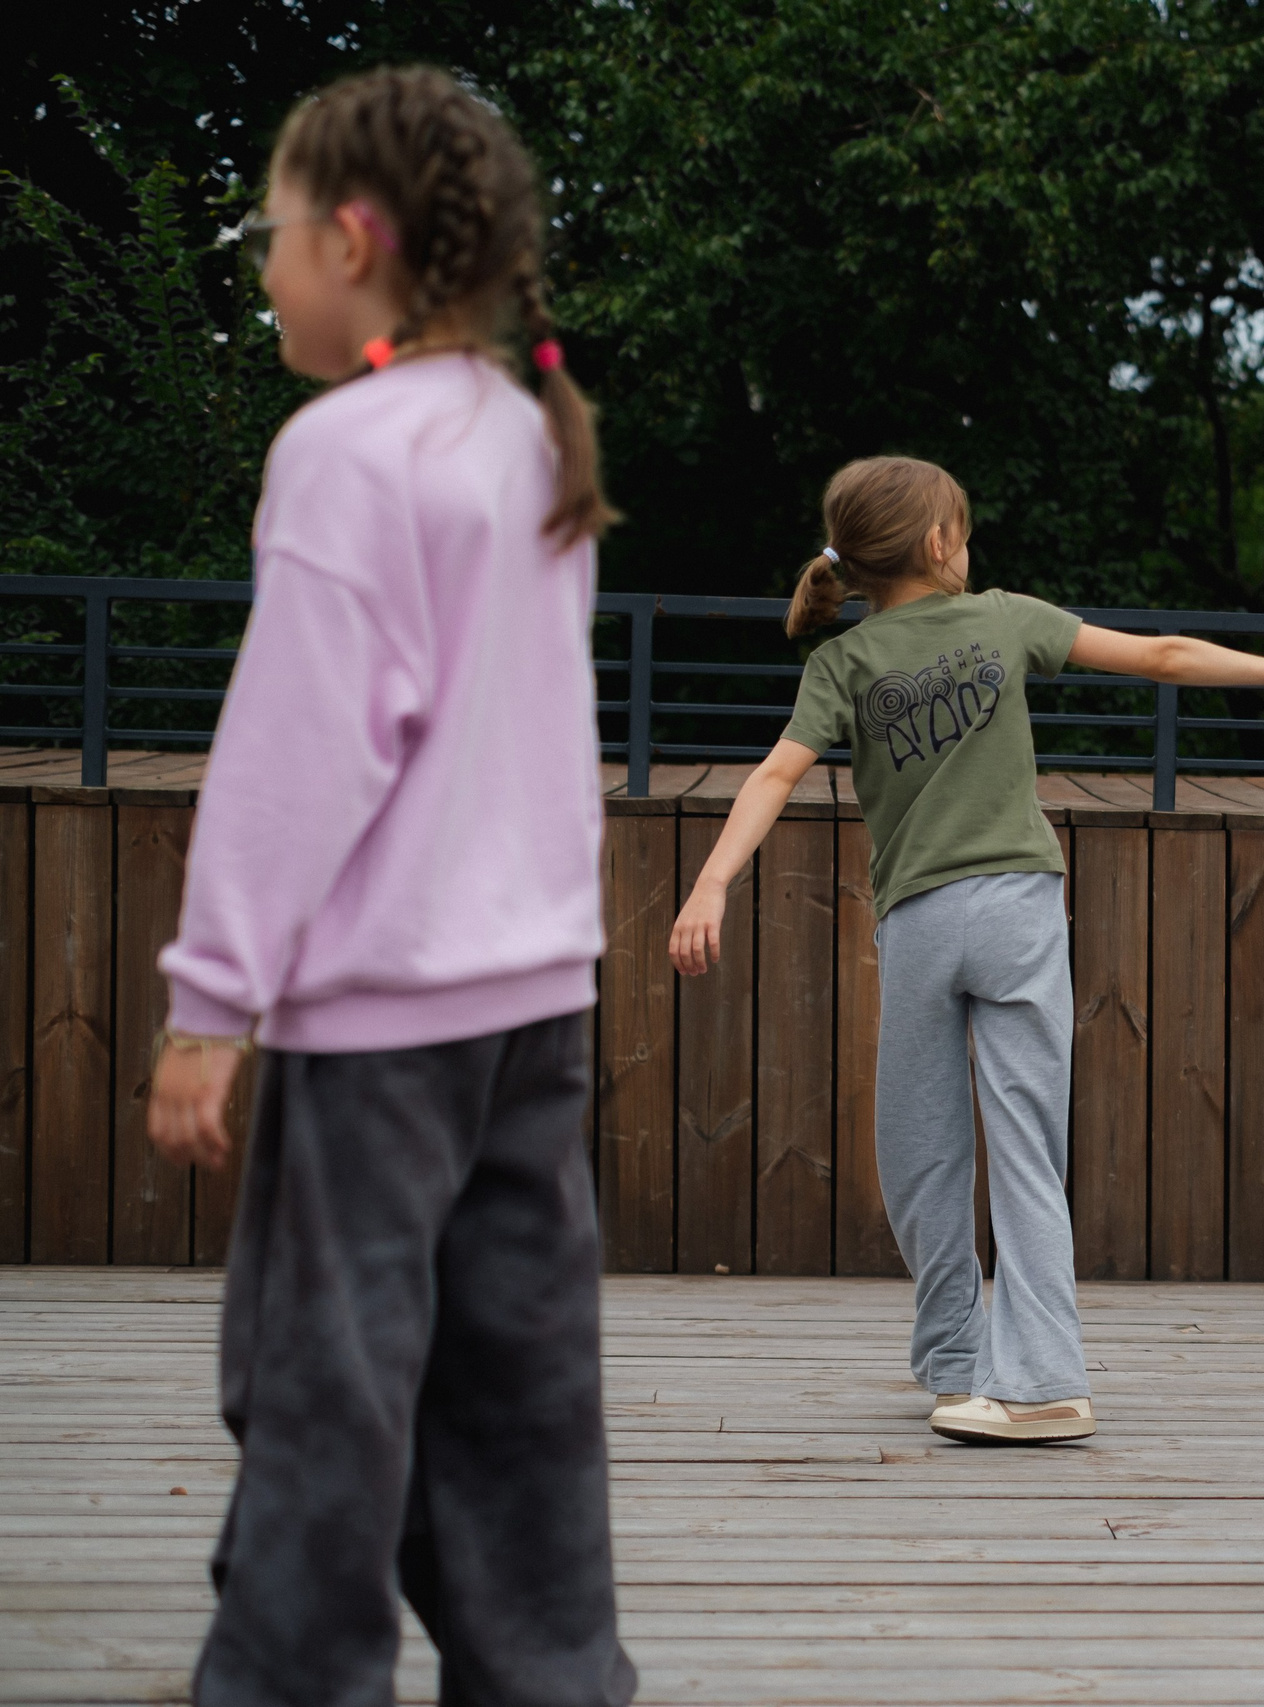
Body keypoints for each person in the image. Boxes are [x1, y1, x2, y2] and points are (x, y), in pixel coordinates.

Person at [140, 67, 635, 1707]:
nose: (262, 265)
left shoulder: (348, 449)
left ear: (352, 241)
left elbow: (300, 751)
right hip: (534, 1002)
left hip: (375, 1024)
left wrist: (213, 1002)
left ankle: (290, 1674)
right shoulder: (523, 436)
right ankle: (554, 1675)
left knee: (322, 1381)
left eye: (268, 232)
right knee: (522, 1382)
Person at [668, 455, 1264, 1445]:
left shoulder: (917, 640)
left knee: (932, 1148)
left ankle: (1026, 1379)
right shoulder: (932, 636)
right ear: (941, 541)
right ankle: (974, 1364)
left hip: (944, 921)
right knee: (978, 1144)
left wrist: (710, 881)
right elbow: (1160, 657)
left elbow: (773, 778)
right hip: (991, 914)